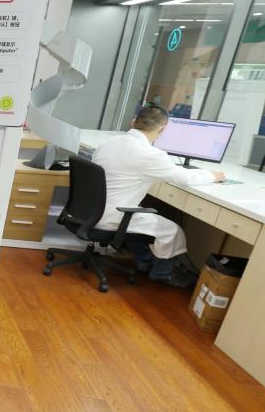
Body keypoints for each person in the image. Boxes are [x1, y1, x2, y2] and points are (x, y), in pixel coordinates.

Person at [92, 105, 225, 287]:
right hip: (112, 215)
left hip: (91, 210)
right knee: (173, 231)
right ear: (162, 130)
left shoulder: (109, 142)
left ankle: (144, 261)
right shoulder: (150, 154)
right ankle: (162, 274)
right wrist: (213, 176)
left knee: (140, 217)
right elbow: (185, 178)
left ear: (133, 122)